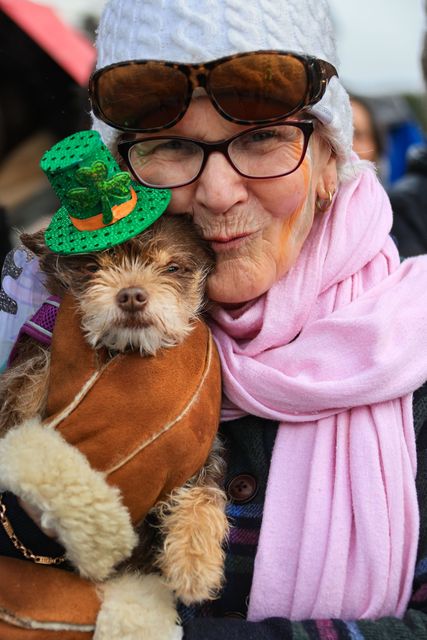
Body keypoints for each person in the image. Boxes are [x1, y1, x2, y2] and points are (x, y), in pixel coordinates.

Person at [1, 0, 427, 638]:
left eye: (262, 137)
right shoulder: (37, 331)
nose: (219, 193)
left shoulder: (412, 347)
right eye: (172, 145)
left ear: (329, 165)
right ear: (123, 169)